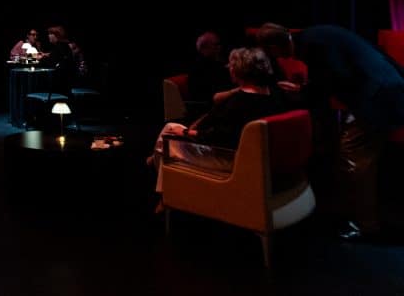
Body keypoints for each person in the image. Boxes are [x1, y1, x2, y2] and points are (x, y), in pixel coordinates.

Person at [288, 24, 404, 239]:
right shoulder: (318, 34)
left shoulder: (312, 44)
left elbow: (332, 79)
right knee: (361, 156)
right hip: (389, 89)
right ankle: (366, 217)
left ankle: (364, 225)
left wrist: (304, 93)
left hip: (377, 98)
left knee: (354, 157)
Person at [150, 47, 290, 198]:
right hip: (265, 159)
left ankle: (166, 196)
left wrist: (186, 132)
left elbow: (221, 136)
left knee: (167, 136)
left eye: (230, 65)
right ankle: (158, 171)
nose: (228, 68)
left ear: (236, 71)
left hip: (231, 159)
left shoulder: (239, 103)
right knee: (169, 135)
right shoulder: (275, 95)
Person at [186, 31, 231, 106]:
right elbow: (209, 95)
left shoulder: (217, 62)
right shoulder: (199, 68)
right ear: (204, 47)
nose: (220, 47)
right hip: (208, 106)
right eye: (216, 45)